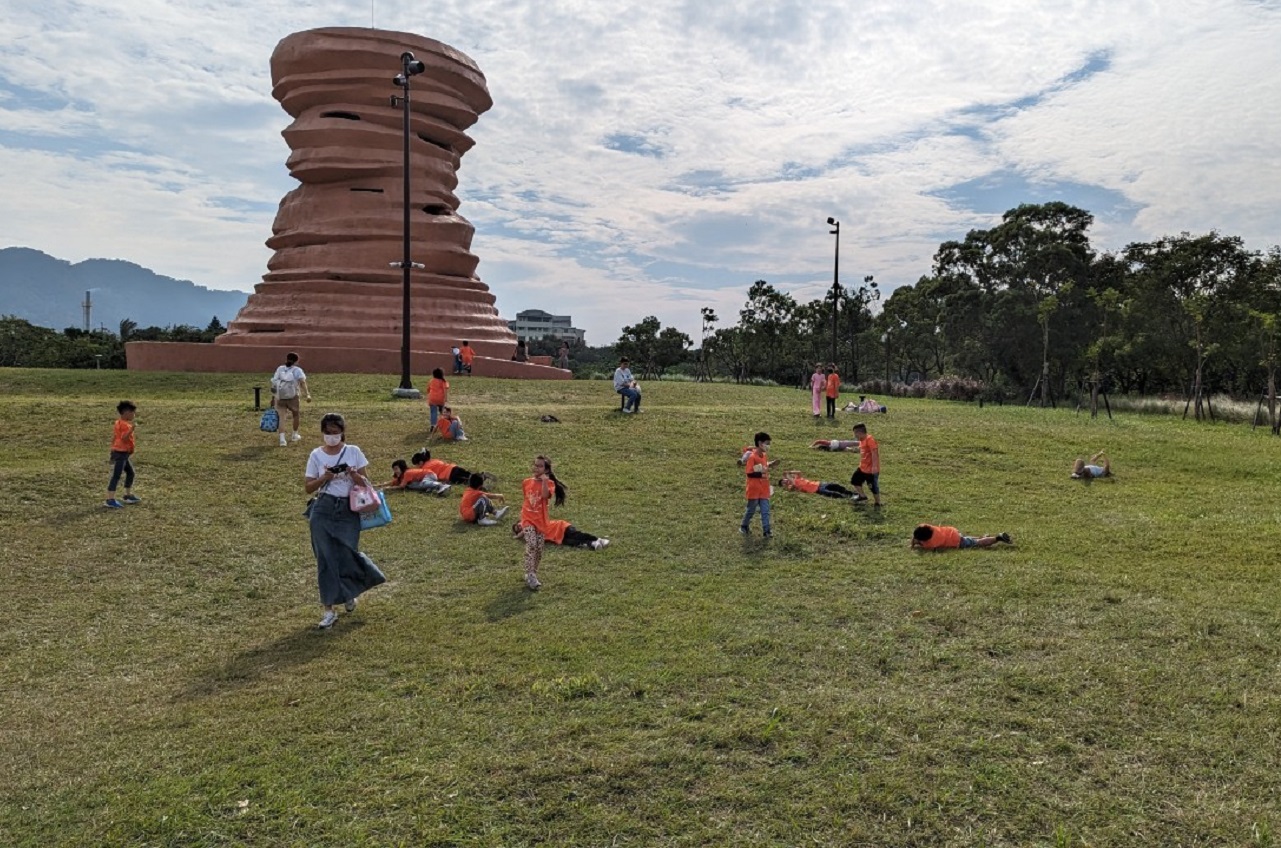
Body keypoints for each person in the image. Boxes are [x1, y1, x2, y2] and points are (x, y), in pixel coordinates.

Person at [304, 413, 386, 628]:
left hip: (348, 510)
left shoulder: (353, 451)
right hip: (323, 508)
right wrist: (325, 478)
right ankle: (328, 609)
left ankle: (349, 591)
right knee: (325, 557)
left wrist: (353, 475)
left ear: (342, 432)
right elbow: (308, 487)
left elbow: (367, 482)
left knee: (347, 552)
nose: (331, 437)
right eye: (327, 433)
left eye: (335, 433)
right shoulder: (316, 455)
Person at [271, 352, 312, 446]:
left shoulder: (280, 368)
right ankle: (294, 435)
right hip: (293, 396)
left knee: (282, 417)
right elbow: (302, 382)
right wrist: (307, 394)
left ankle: (282, 439)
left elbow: (274, 383)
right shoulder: (297, 370)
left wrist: (273, 397)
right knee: (295, 415)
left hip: (280, 396)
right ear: (296, 361)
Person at [105, 400, 140, 508]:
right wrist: (132, 429)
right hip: (121, 453)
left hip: (121, 453)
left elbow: (115, 437)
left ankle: (128, 495)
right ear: (126, 412)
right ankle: (110, 499)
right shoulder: (126, 426)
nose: (134, 415)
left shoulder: (118, 423)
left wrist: (112, 450)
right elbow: (124, 438)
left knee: (131, 473)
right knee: (116, 475)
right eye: (133, 413)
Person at [740, 431, 773, 537]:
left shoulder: (764, 456)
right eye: (767, 443)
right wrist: (761, 473)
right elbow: (749, 473)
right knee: (751, 510)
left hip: (764, 489)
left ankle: (767, 531)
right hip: (754, 489)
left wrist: (768, 467)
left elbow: (764, 468)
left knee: (765, 511)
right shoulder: (752, 457)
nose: (768, 446)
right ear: (760, 443)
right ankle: (744, 526)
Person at [415, 449, 496, 487]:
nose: (417, 467)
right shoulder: (433, 460)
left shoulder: (425, 468)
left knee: (466, 480)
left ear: (421, 462)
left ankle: (481, 484)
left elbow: (422, 476)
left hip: (449, 475)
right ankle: (482, 475)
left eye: (416, 465)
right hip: (453, 467)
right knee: (468, 474)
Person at [379, 459, 451, 496]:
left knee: (422, 483)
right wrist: (377, 485)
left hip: (429, 475)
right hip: (426, 477)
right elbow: (393, 482)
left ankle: (442, 485)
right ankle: (433, 488)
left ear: (401, 467)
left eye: (396, 469)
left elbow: (401, 486)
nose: (395, 471)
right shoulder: (402, 476)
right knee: (412, 485)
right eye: (394, 469)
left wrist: (387, 488)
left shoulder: (407, 473)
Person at [850, 422, 881, 505]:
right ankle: (862, 496)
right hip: (862, 467)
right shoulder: (862, 440)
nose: (855, 436)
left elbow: (874, 453)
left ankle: (877, 502)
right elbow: (862, 450)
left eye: (855, 434)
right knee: (855, 480)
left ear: (859, 433)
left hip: (870, 470)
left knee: (872, 487)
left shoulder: (869, 439)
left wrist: (874, 466)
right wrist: (852, 449)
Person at [912, 524, 1012, 550]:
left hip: (957, 541)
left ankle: (998, 538)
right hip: (953, 532)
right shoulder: (926, 526)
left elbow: (918, 541)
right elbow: (916, 537)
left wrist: (913, 546)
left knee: (977, 544)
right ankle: (983, 537)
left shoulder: (932, 543)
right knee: (968, 538)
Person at [778, 470, 857, 499]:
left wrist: (790, 472)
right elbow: (794, 487)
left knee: (836, 486)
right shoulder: (790, 487)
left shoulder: (796, 479)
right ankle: (846, 498)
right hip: (816, 490)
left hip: (819, 484)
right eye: (783, 483)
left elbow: (799, 472)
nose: (785, 482)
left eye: (784, 480)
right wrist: (789, 478)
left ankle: (851, 493)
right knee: (831, 493)